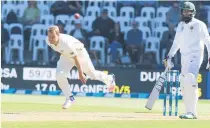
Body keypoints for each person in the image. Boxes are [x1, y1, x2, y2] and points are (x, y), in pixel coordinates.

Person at [45, 26, 116, 109]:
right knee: (59, 75)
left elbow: (76, 58)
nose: (51, 39)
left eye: (53, 37)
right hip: (66, 55)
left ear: (58, 35)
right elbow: (60, 49)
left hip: (80, 54)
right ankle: (70, 98)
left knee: (92, 74)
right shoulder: (48, 41)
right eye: (49, 36)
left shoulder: (66, 43)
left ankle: (109, 78)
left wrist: (80, 72)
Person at [164, 2, 210, 119]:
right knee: (184, 84)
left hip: (196, 56)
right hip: (184, 57)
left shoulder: (200, 25)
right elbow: (176, 43)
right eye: (184, 11)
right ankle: (189, 111)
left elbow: (207, 42)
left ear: (193, 12)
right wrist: (169, 56)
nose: (186, 13)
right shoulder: (180, 25)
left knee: (190, 78)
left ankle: (193, 112)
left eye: (188, 11)